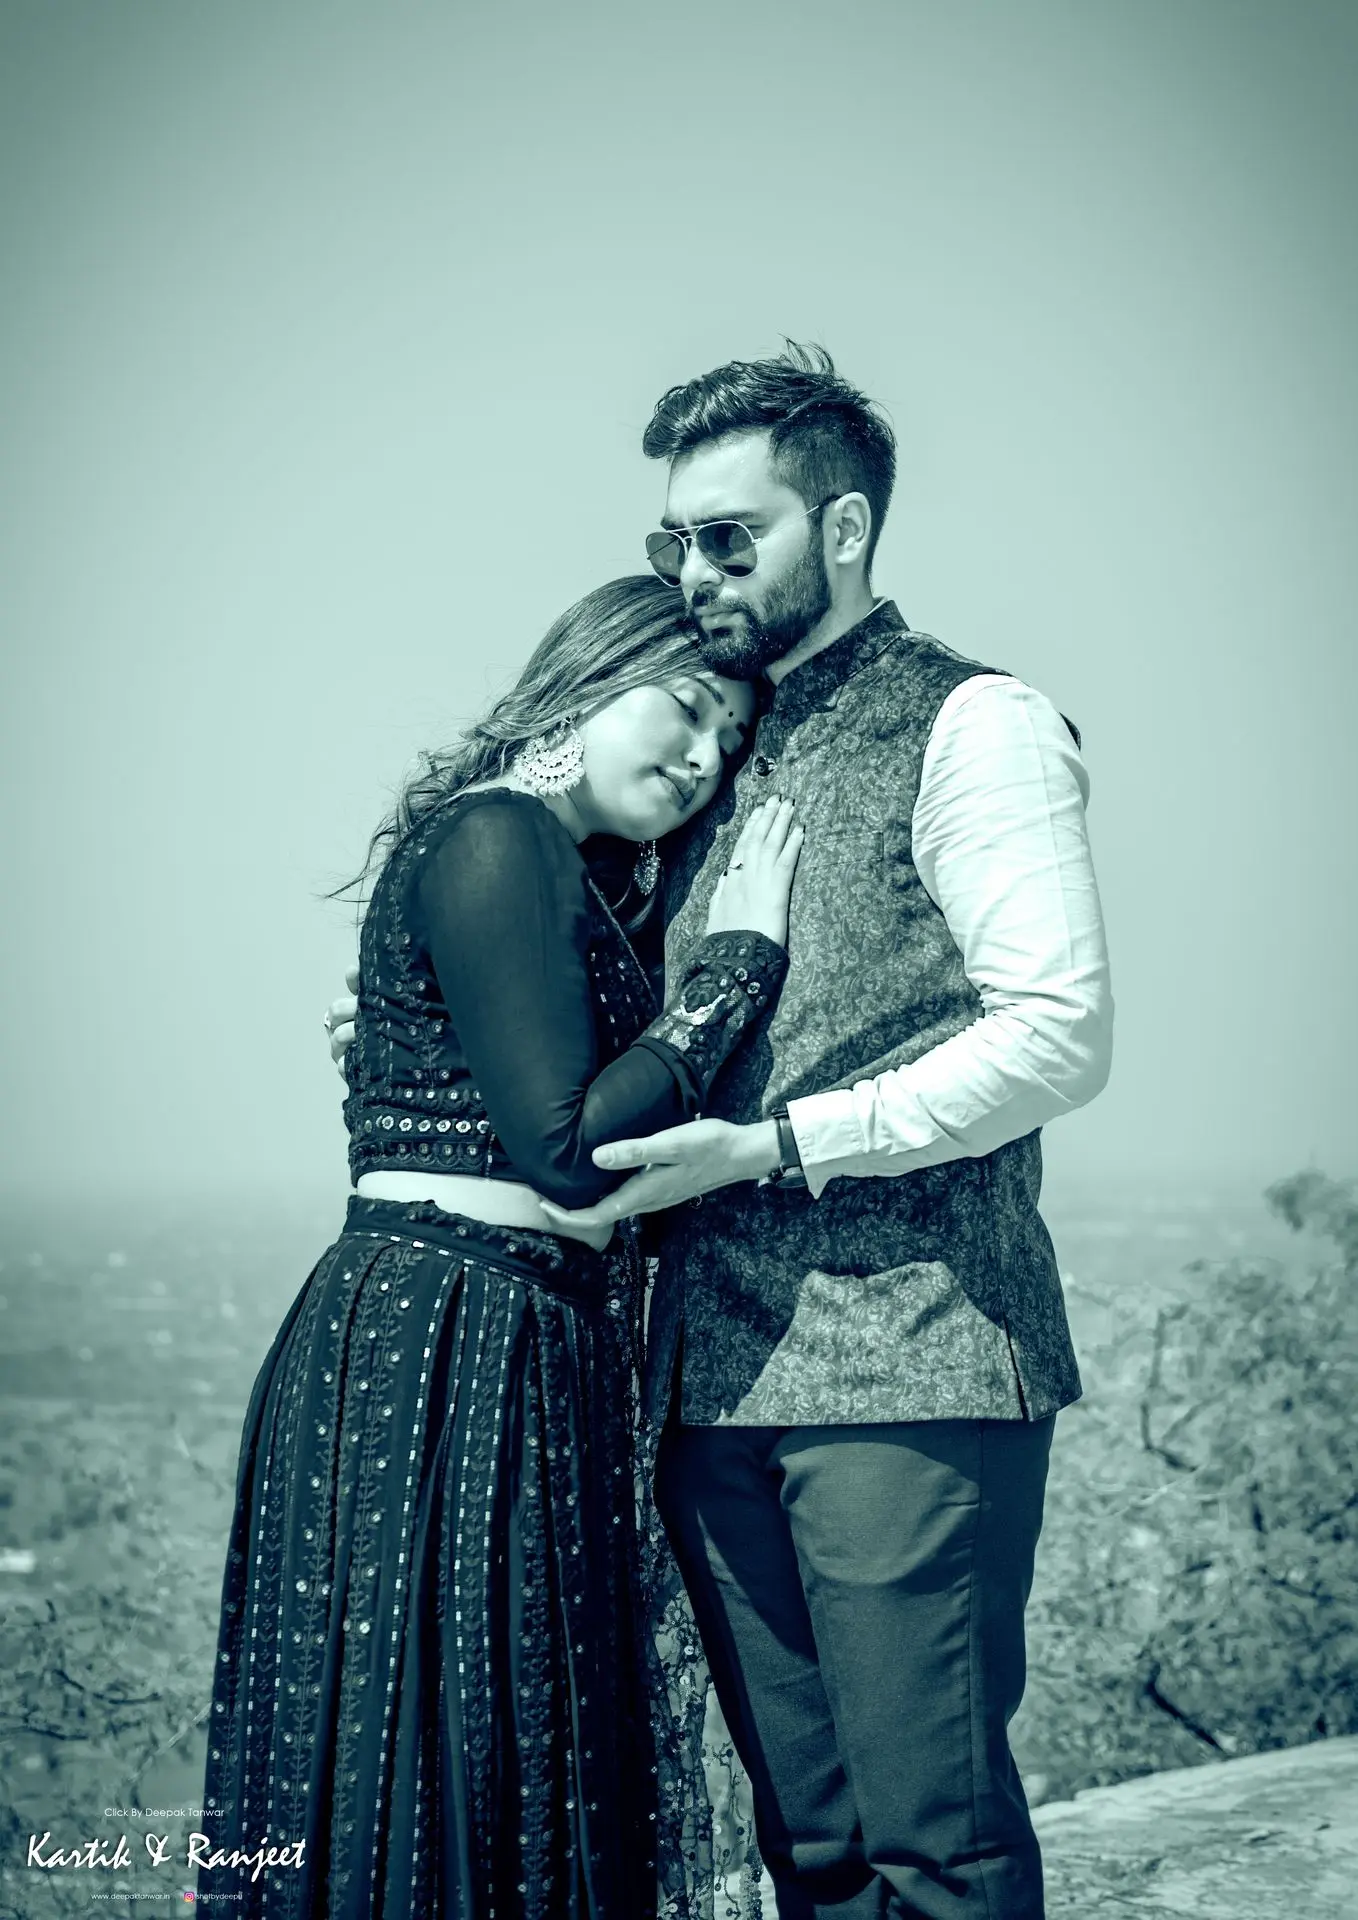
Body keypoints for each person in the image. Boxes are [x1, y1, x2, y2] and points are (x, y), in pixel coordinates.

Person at [538, 345, 1115, 1920]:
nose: (694, 573)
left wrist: (778, 1145)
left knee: (935, 1850)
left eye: (731, 537)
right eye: (674, 541)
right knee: (811, 1856)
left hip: (913, 1357)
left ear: (843, 528)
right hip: (708, 1377)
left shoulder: (975, 723)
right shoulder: (701, 751)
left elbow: (1055, 1038)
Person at [199, 573, 806, 1919]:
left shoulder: (555, 871)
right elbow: (569, 1154)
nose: (702, 758)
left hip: (517, 1336)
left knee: (507, 1751)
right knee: (439, 1751)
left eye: (728, 741)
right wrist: (735, 968)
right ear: (588, 678)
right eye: (685, 707)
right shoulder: (495, 834)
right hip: (442, 1337)